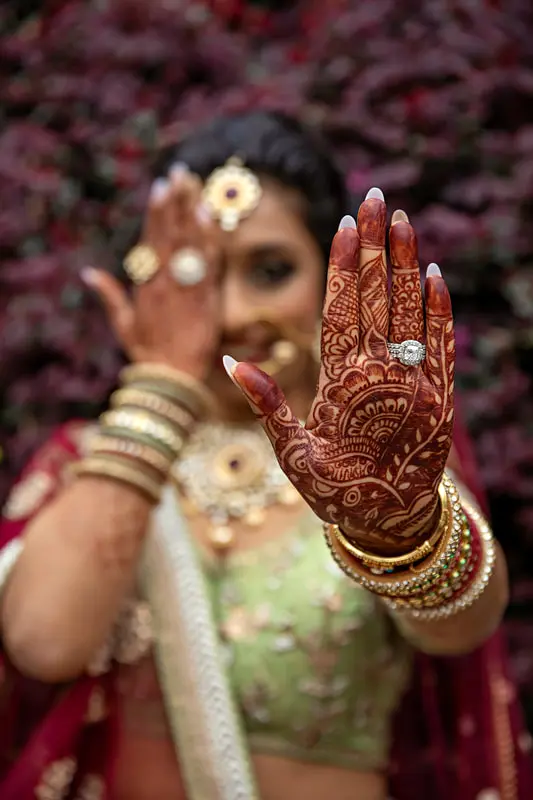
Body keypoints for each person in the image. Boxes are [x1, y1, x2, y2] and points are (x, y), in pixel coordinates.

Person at [0, 111, 530, 800]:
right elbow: (44, 643)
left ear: (332, 278)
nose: (231, 312)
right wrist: (160, 388)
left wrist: (402, 536)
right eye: (198, 278)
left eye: (271, 271)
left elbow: (462, 633)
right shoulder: (94, 460)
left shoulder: (379, 458)